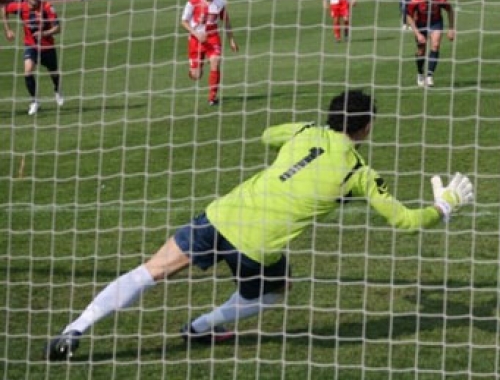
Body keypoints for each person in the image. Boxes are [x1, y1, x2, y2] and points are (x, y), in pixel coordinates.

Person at [42, 89, 474, 361]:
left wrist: (301, 136)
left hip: (222, 214)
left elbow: (268, 134)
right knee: (275, 290)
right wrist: (444, 207)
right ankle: (199, 327)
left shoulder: (306, 132)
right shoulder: (358, 173)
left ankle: (73, 330)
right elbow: (403, 221)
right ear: (363, 129)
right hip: (257, 246)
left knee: (151, 271)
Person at [1, 0, 63, 115]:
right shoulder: (21, 7)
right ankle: (35, 101)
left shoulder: (47, 7)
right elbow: (4, 9)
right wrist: (8, 30)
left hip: (47, 45)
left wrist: (44, 34)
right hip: (31, 45)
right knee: (28, 71)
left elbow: (58, 28)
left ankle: (57, 91)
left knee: (54, 73)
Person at [181, 0, 239, 106]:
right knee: (196, 75)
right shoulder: (193, 2)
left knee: (215, 61)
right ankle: (198, 65)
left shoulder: (220, 3)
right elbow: (183, 21)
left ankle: (212, 98)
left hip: (212, 37)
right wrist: (196, 33)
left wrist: (232, 40)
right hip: (196, 39)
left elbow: (226, 22)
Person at [406, 0, 455, 87]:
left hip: (435, 23)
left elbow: (450, 10)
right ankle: (420, 73)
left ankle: (429, 76)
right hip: (420, 24)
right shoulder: (415, 0)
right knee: (421, 51)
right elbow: (408, 16)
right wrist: (417, 34)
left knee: (435, 45)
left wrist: (451, 28)